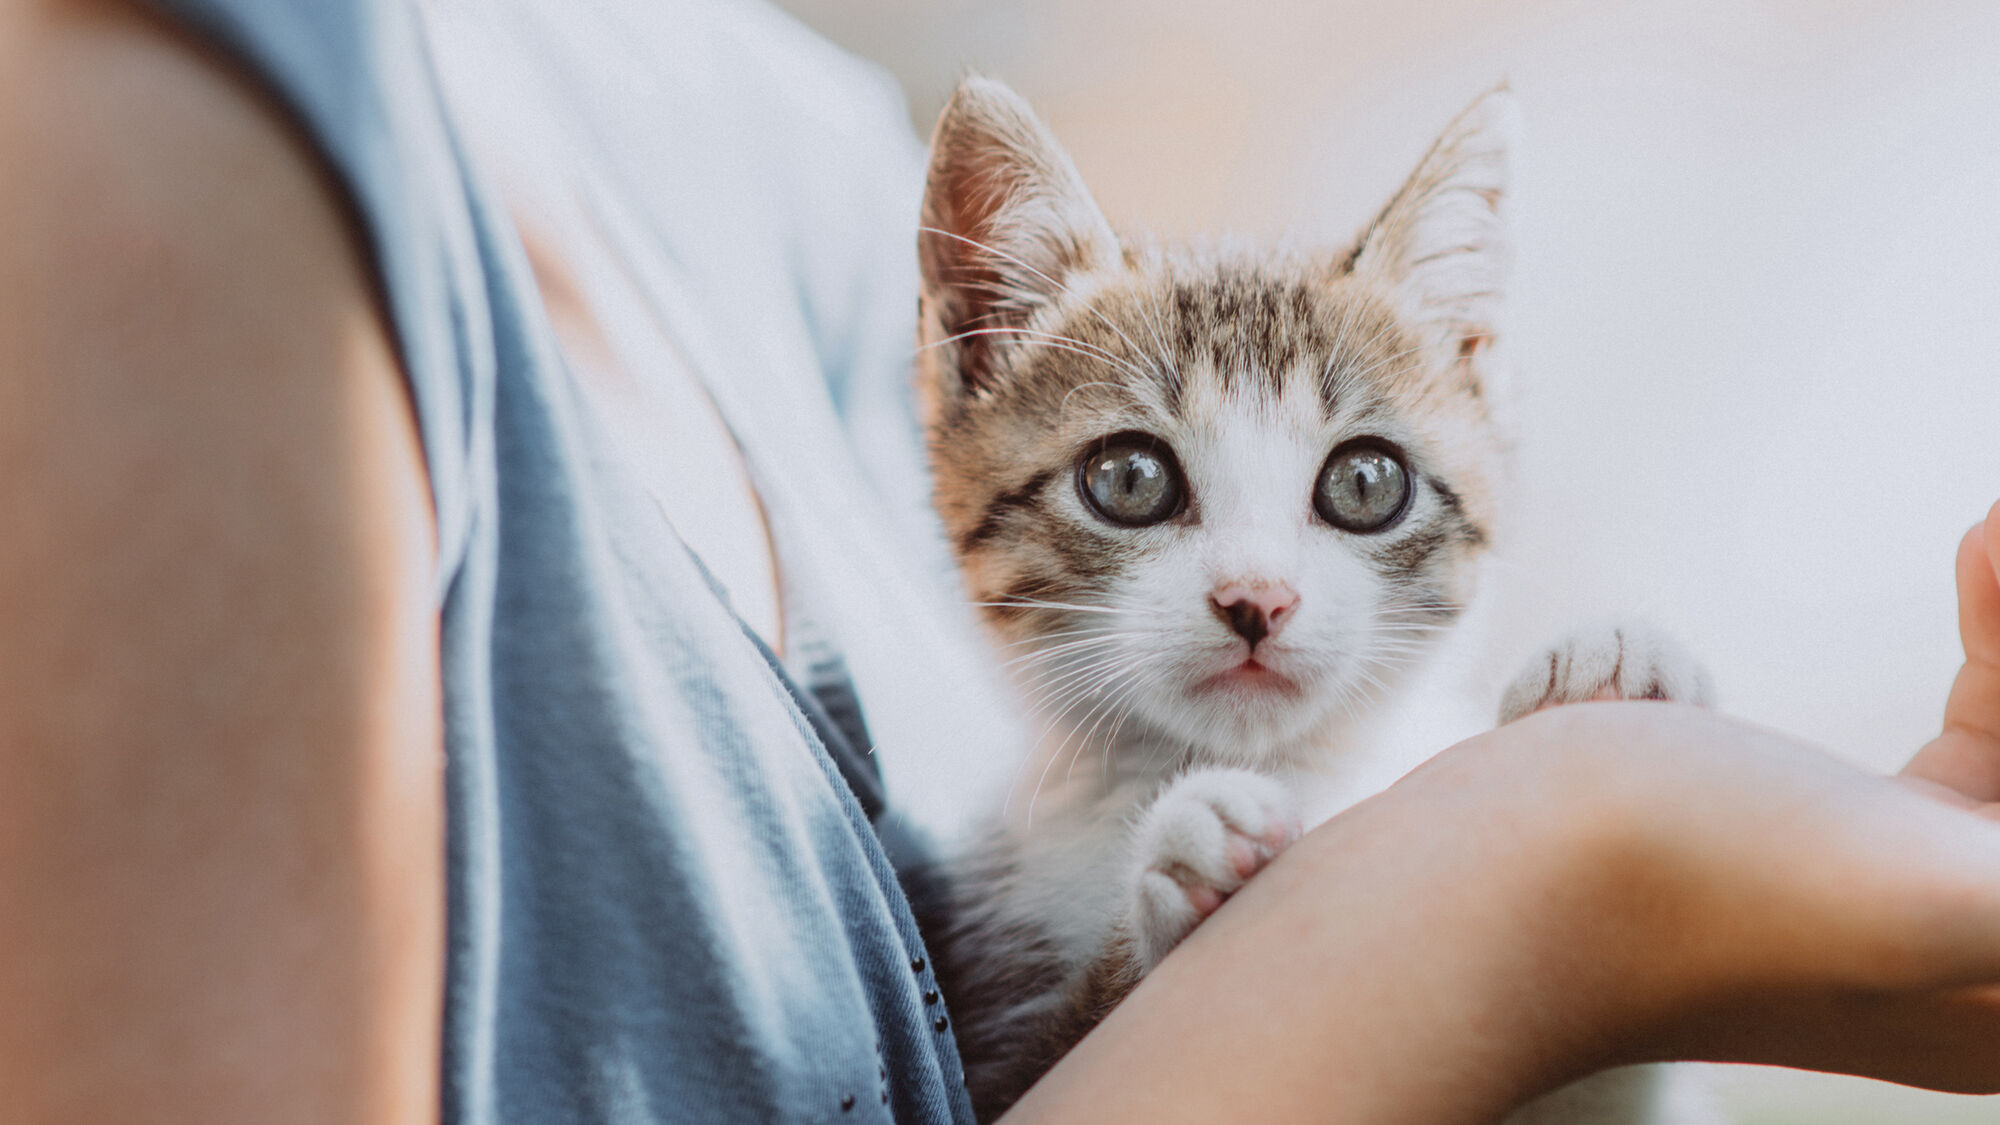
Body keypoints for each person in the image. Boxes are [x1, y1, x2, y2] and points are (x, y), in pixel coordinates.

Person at [2, 0, 1997, 1122]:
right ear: (971, 359)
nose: (1254, 587)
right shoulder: (141, 144)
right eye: (1142, 492)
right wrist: (1562, 882)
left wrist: (1585, 841)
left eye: (1360, 494)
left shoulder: (754, 136)